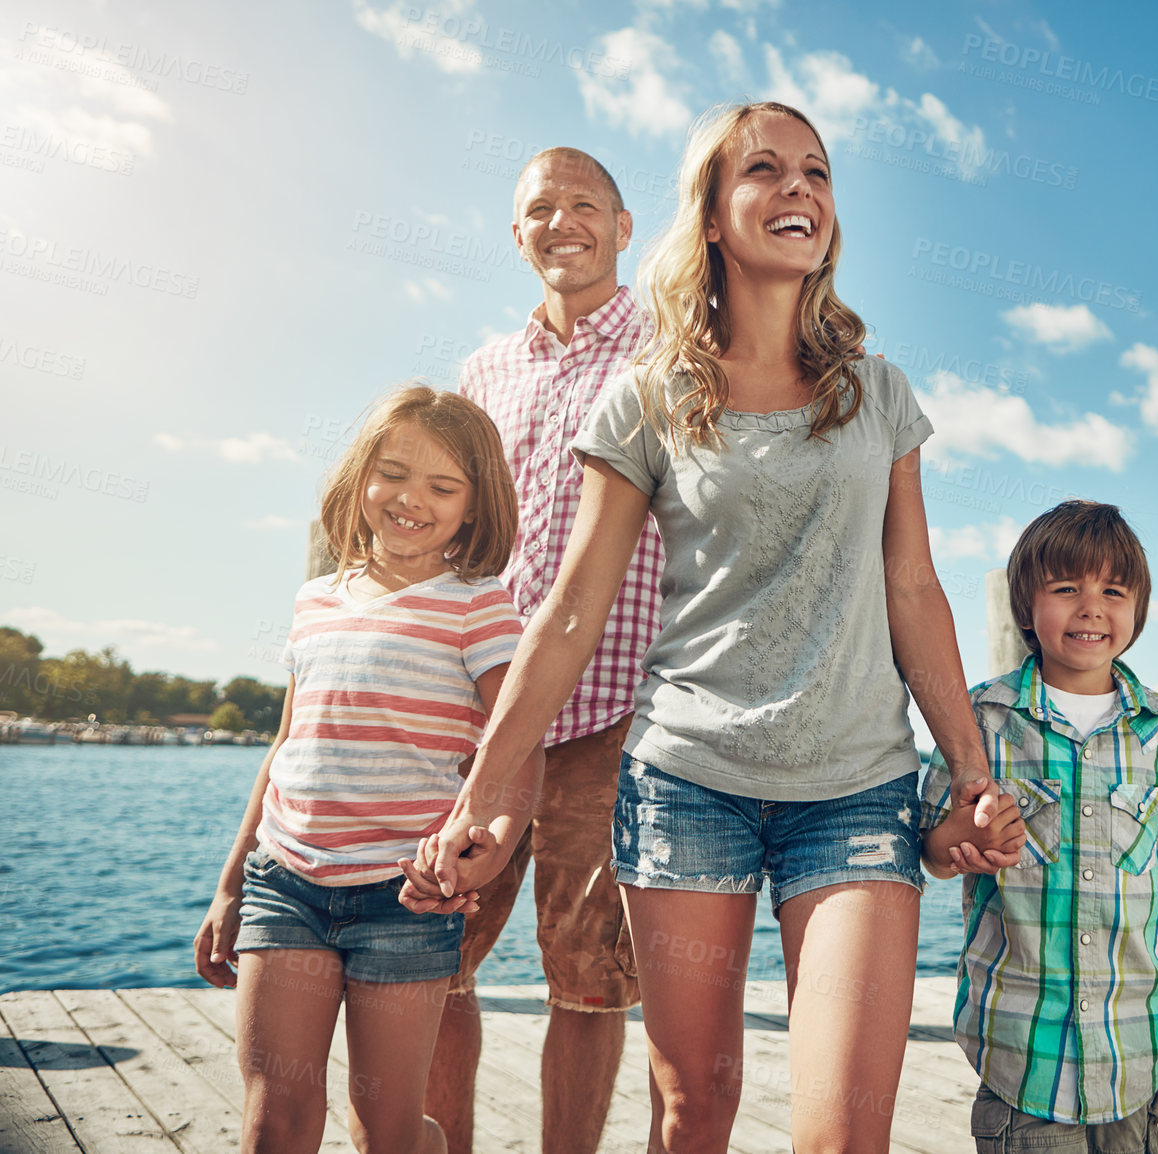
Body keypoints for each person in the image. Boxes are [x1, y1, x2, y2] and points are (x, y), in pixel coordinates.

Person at [419, 100, 1010, 1154]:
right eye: (766, 171)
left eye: (817, 174)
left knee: (844, 1131)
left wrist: (966, 766)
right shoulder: (646, 399)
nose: (799, 190)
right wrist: (483, 795)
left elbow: (913, 587)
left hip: (858, 793)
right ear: (709, 214)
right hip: (686, 785)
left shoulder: (879, 393)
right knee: (696, 1110)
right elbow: (569, 612)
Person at [192, 386, 542, 1154]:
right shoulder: (314, 601)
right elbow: (286, 747)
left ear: (475, 508)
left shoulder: (479, 607)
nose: (412, 499)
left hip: (404, 901)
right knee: (273, 1118)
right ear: (360, 480)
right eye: (394, 474)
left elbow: (519, 752)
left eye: (443, 487)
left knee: (384, 1127)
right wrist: (228, 886)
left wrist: (490, 853)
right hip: (284, 883)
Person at [399, 145, 665, 1154]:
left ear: (623, 225)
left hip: (617, 706)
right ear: (516, 234)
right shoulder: (481, 371)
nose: (564, 222)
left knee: (591, 972)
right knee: (435, 944)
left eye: (584, 205)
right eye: (541, 209)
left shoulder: (673, 343)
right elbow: (462, 534)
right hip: (489, 703)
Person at [921, 500, 1158, 1154]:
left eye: (1113, 591)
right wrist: (959, 839)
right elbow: (931, 853)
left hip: (1136, 1051)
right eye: (1065, 589)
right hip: (1021, 1052)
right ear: (1025, 610)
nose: (1091, 607)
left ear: (1137, 612)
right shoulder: (981, 723)